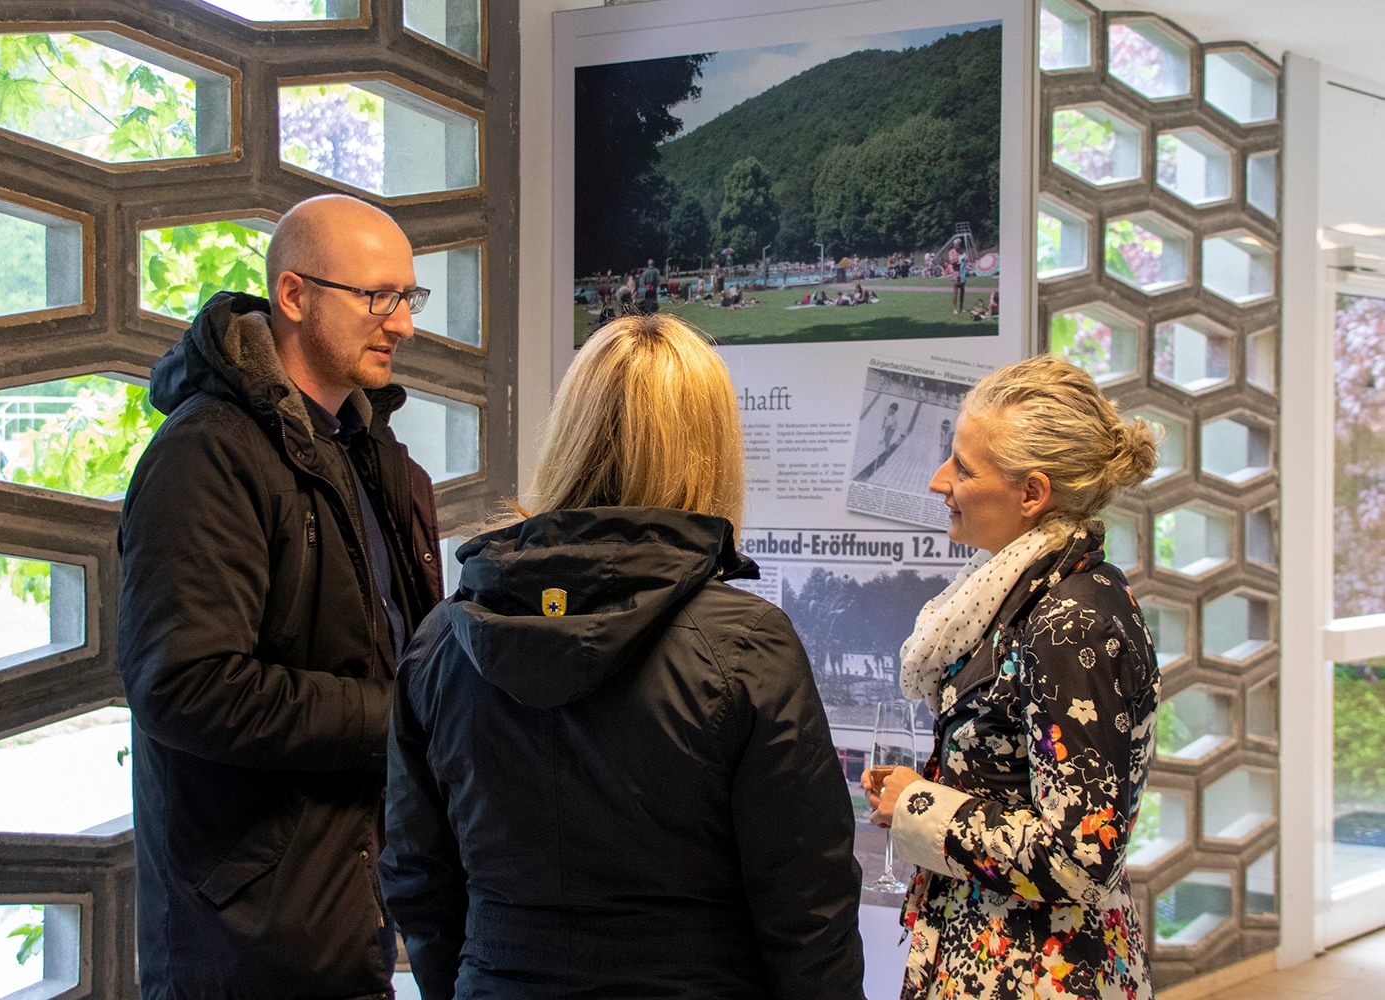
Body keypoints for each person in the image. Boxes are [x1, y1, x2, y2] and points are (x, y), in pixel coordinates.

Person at [381, 313, 866, 1000]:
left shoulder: (443, 641)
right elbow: (807, 907)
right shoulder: (746, 644)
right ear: (712, 449)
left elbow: (416, 874)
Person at [119, 194, 445, 1000]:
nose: (402, 323)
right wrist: (400, 716)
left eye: (409, 297)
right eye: (377, 297)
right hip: (243, 944)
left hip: (349, 912)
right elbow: (186, 686)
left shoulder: (372, 452)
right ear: (294, 296)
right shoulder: (207, 453)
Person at [863, 354, 1159, 1000]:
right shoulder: (1030, 597)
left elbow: (1082, 857)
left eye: (964, 468)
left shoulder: (1069, 623)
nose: (940, 480)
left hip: (1035, 976)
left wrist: (921, 805)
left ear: (1032, 493)